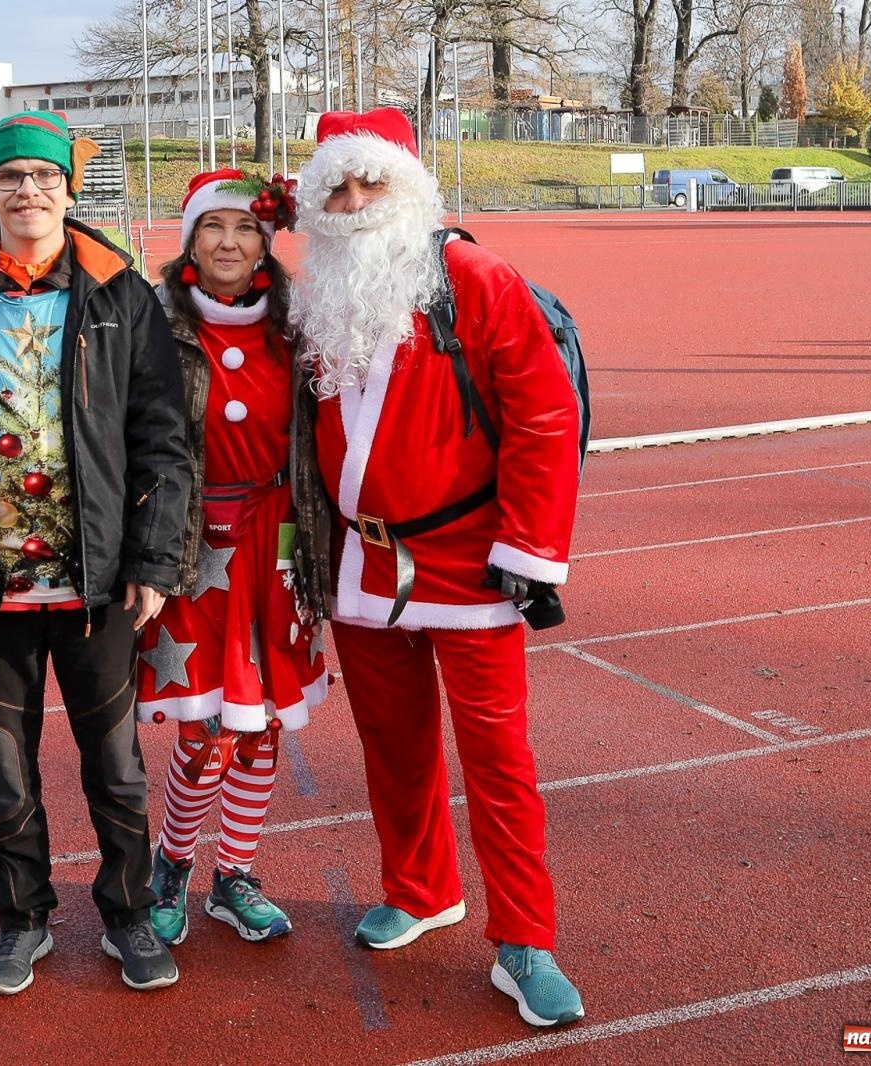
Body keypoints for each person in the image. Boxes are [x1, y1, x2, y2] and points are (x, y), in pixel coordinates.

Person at [0, 111, 192, 996]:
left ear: (67, 189)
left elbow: (163, 439)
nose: (28, 191)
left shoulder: (120, 293)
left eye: (44, 176)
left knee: (117, 767)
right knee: (5, 771)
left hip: (99, 579)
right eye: (11, 177)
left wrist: (153, 561)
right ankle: (22, 920)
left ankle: (128, 915)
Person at [291, 108, 586, 1028]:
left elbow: (543, 416)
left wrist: (529, 551)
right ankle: (421, 889)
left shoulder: (475, 279)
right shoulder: (315, 289)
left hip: (470, 560)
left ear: (410, 185)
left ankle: (525, 940)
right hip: (364, 561)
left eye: (370, 181)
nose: (353, 202)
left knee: (498, 759)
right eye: (337, 187)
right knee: (394, 745)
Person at [137, 169, 331, 947]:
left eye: (246, 227)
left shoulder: (300, 324)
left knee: (263, 724)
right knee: (206, 728)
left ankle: (235, 873)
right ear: (189, 238)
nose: (228, 241)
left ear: (266, 241)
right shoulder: (153, 323)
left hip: (276, 543)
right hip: (191, 545)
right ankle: (173, 862)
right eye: (212, 226)